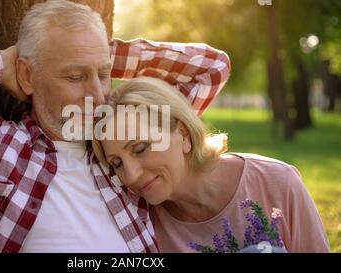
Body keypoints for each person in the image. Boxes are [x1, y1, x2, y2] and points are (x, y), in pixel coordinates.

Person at [0, 0, 230, 253]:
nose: (97, 96)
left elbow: (211, 68)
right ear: (27, 75)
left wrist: (97, 53)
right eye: (75, 76)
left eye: (102, 75)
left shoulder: (126, 154)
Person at [92, 77, 330, 253]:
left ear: (183, 134)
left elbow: (214, 65)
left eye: (141, 148)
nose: (131, 175)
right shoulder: (142, 224)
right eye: (117, 163)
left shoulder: (277, 181)